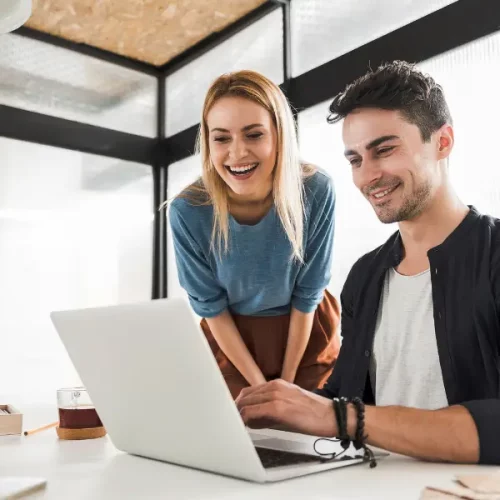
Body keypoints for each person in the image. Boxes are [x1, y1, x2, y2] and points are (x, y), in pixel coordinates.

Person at [236, 61, 500, 465]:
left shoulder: (494, 254)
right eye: (355, 160)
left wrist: (338, 415)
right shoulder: (366, 275)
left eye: (384, 150)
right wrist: (270, 412)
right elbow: (346, 402)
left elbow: (346, 416)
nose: (368, 176)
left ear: (442, 141)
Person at [168, 70, 340, 399]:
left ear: (279, 136)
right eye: (221, 138)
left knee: (310, 432)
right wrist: (262, 387)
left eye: (254, 135)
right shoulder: (187, 211)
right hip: (231, 342)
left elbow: (308, 295)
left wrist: (286, 386)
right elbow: (211, 308)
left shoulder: (317, 190)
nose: (237, 153)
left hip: (305, 332)